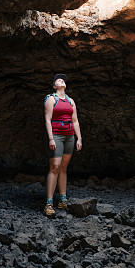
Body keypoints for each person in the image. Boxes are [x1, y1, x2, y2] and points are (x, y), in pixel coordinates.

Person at [43, 73, 82, 216]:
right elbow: (48, 120)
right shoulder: (51, 99)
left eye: (63, 80)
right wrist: (51, 138)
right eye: (59, 80)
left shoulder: (70, 101)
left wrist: (79, 138)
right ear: (54, 86)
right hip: (57, 136)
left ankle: (63, 201)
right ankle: (49, 203)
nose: (62, 81)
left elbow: (75, 121)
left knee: (64, 168)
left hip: (69, 136)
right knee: (55, 167)